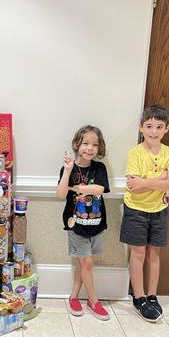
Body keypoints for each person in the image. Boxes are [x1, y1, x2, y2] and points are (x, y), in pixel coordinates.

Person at [120, 104, 169, 322]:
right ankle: (139, 297)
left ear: (167, 129)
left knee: (155, 253)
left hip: (159, 210)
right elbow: (134, 187)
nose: (153, 131)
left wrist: (148, 181)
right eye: (149, 126)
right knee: (138, 253)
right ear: (141, 128)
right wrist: (161, 179)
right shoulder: (135, 153)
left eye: (159, 126)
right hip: (136, 209)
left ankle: (152, 295)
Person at [57, 125, 110, 320]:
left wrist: (79, 188)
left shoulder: (99, 168)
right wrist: (67, 172)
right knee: (86, 263)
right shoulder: (68, 167)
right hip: (75, 224)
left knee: (83, 262)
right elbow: (61, 194)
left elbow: (100, 189)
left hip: (96, 223)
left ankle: (73, 297)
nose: (90, 148)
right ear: (77, 144)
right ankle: (93, 301)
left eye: (95, 144)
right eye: (86, 143)